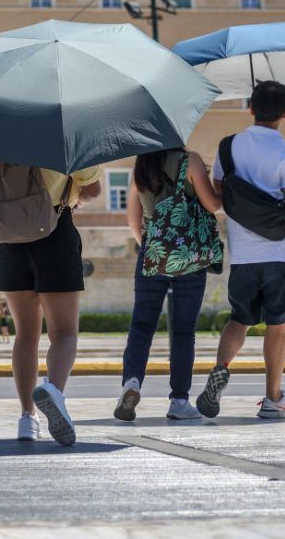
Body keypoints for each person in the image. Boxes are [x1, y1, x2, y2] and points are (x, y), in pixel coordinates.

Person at [197, 80, 285, 419]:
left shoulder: (228, 146)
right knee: (277, 326)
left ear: (250, 108)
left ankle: (221, 368)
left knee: (239, 320)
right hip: (280, 254)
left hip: (243, 255)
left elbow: (221, 194)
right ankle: (273, 398)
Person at [0, 161, 101, 445]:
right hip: (54, 231)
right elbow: (93, 189)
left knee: (25, 335)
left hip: (11, 239)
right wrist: (75, 195)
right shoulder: (65, 141)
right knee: (64, 333)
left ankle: (26, 417)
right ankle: (53, 391)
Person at [115, 147, 222, 422]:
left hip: (152, 253)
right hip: (189, 257)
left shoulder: (141, 165)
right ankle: (179, 401)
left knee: (141, 325)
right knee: (183, 331)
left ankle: (131, 383)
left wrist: (155, 247)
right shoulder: (190, 160)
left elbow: (133, 221)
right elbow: (213, 205)